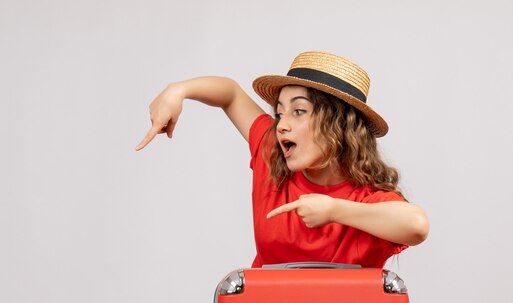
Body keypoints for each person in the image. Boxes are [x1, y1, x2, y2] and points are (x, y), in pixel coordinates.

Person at [136, 51, 429, 268]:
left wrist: (333, 210)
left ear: (338, 125)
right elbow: (230, 94)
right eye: (279, 113)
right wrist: (178, 90)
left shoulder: (365, 201)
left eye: (298, 111)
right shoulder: (272, 155)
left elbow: (416, 225)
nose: (282, 125)